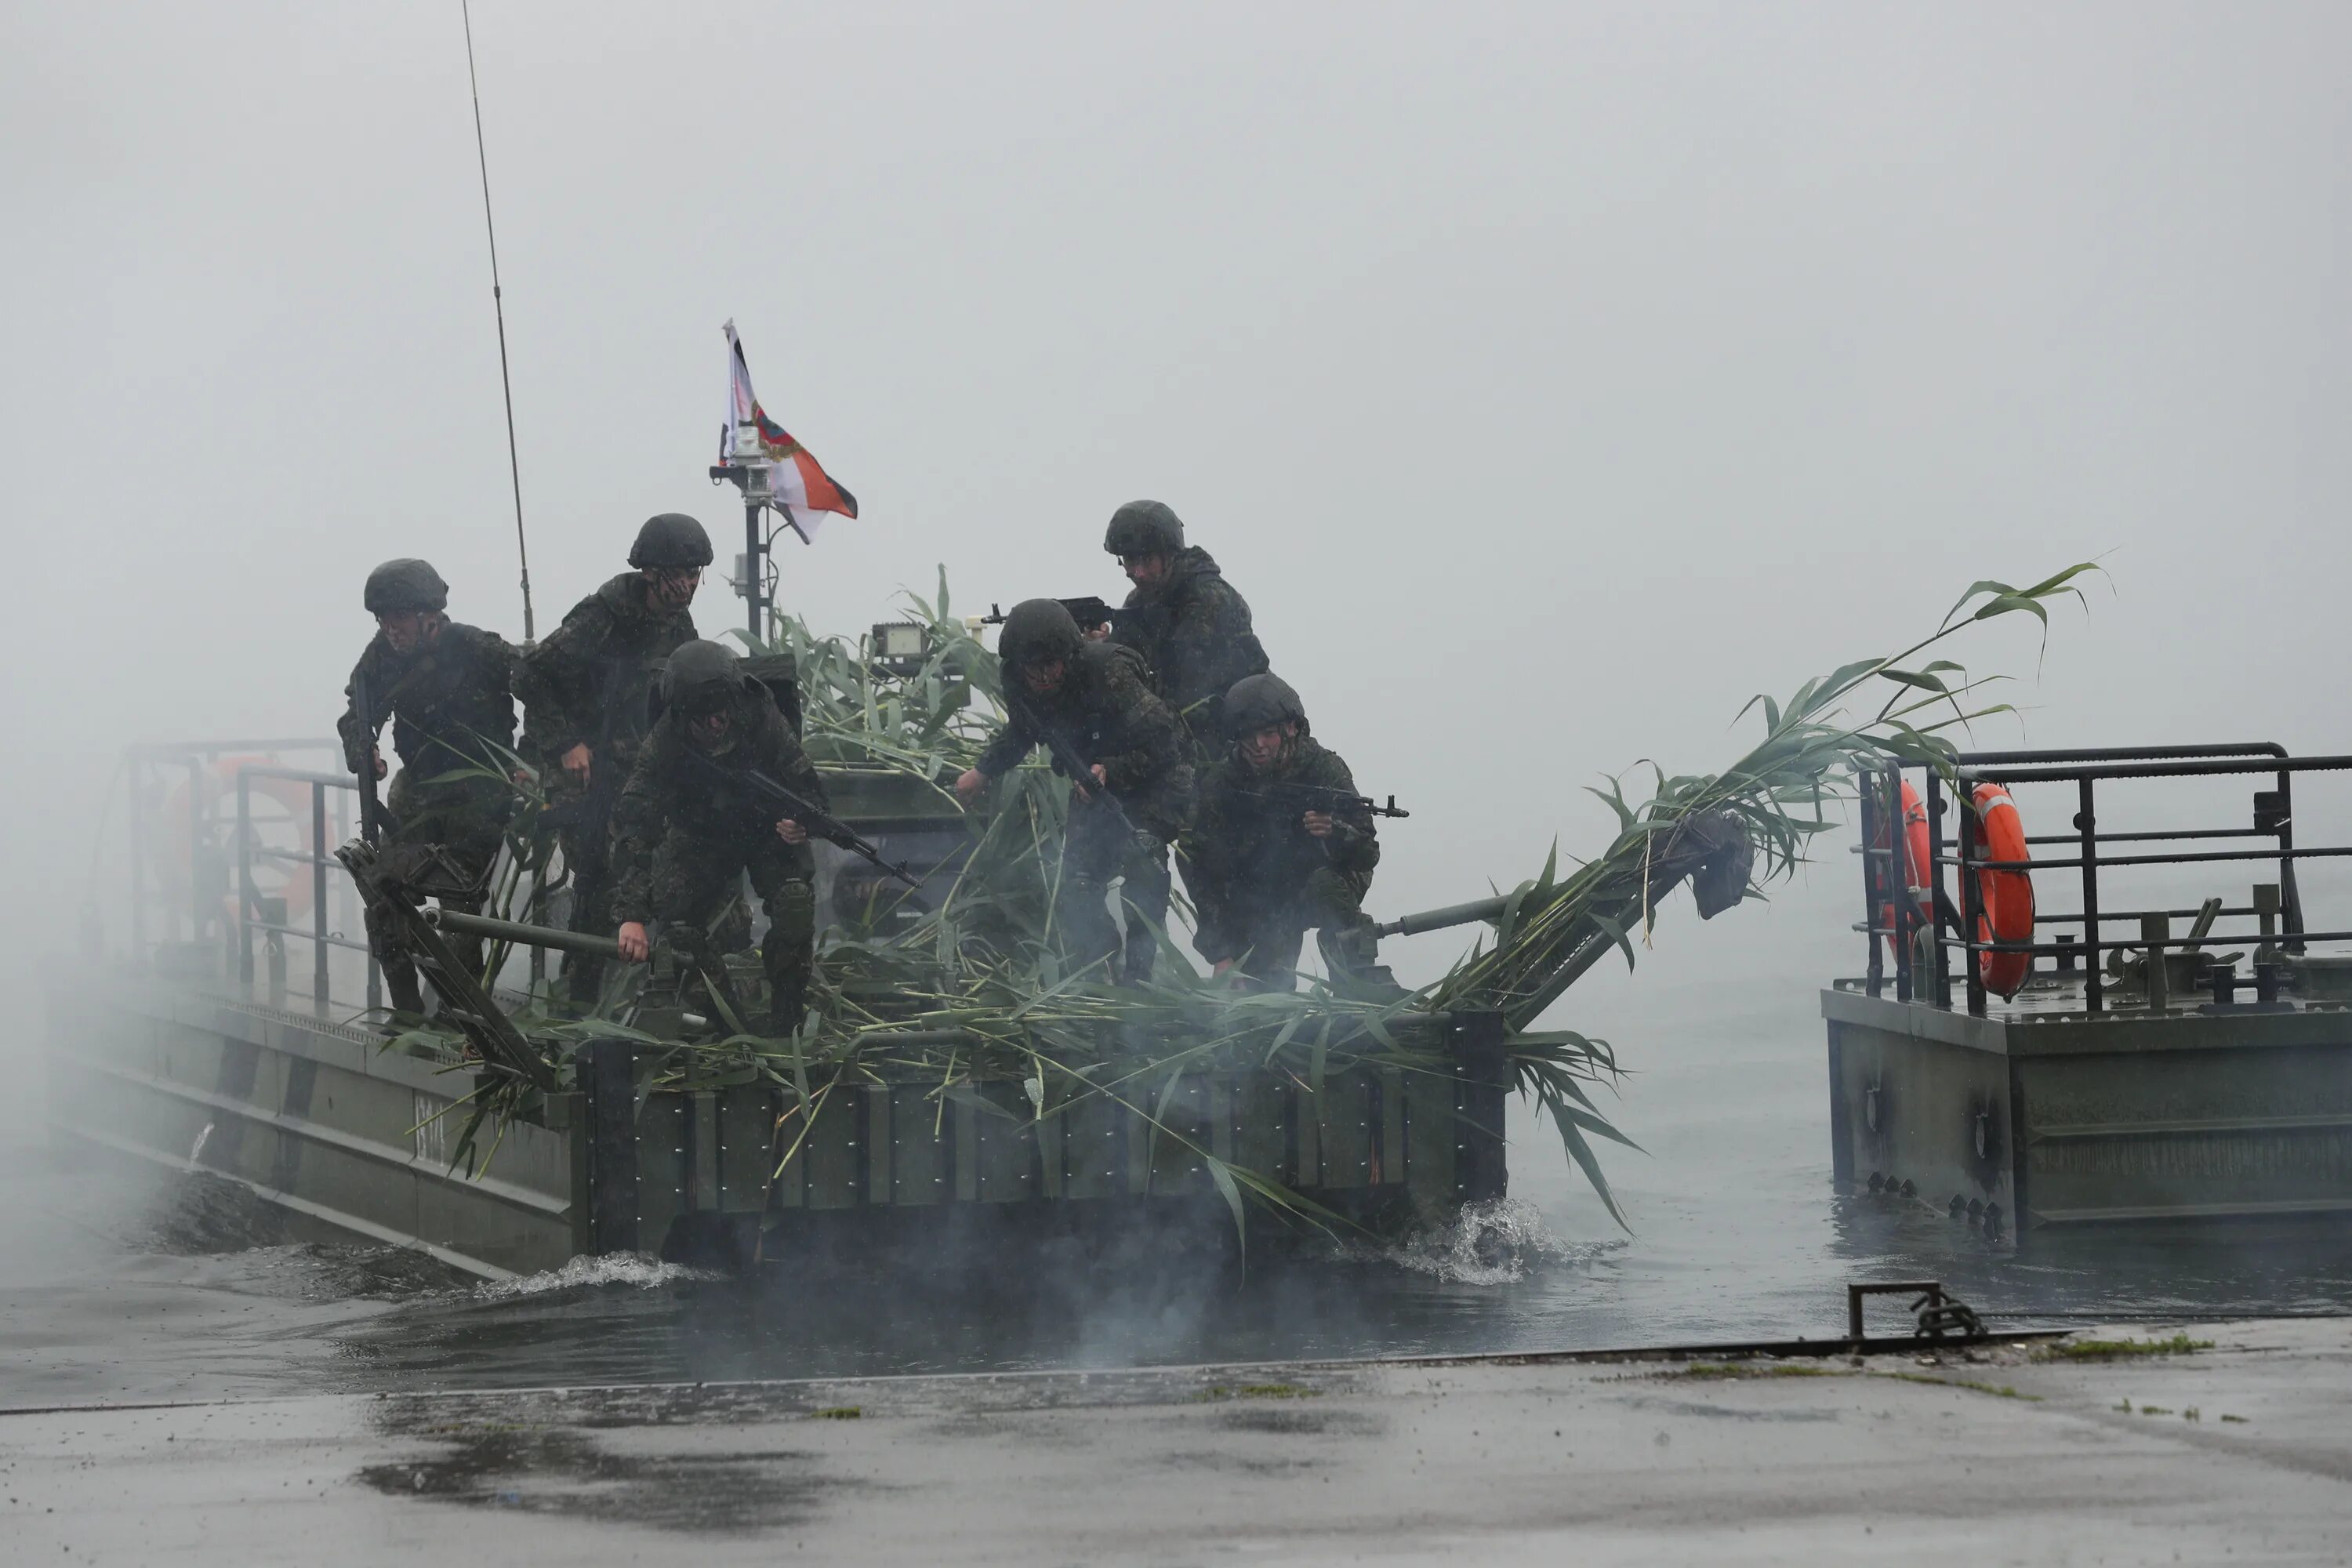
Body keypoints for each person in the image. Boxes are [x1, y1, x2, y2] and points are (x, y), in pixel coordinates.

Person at [517, 513, 710, 1004]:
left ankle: (643, 998)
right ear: (651, 572)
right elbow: (529, 675)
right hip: (580, 767)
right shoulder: (602, 616)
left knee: (656, 869)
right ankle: (579, 1000)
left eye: (695, 573)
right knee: (598, 882)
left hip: (635, 768)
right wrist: (565, 743)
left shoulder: (679, 624)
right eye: (679, 574)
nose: (688, 584)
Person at [956, 597, 1192, 984]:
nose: (1046, 676)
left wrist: (1111, 769)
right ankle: (1098, 970)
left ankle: (1141, 981)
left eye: (1054, 665)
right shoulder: (1018, 681)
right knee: (1077, 883)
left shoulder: (1108, 672)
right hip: (1093, 782)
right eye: (1036, 668)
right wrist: (983, 772)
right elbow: (1022, 730)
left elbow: (1169, 744)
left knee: (1144, 867)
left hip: (1156, 777)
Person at [608, 640, 828, 1035]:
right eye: (703, 716)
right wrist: (632, 916)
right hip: (698, 836)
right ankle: (729, 1026)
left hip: (764, 828)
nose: (715, 724)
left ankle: (786, 1022)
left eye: (722, 713)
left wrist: (803, 821)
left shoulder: (760, 713)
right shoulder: (663, 744)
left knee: (794, 902)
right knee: (678, 935)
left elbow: (805, 782)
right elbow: (635, 828)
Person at [336, 558, 518, 1015]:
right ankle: (407, 1011)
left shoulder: (477, 648)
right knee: (382, 898)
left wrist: (532, 759)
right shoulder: (382, 655)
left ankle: (462, 1016)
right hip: (419, 789)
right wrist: (365, 746)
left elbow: (543, 685)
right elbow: (357, 710)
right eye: (382, 618)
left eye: (397, 616)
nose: (389, 628)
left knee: (459, 903)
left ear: (428, 613)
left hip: (482, 791)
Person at [1186, 673, 1397, 993]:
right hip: (1265, 894)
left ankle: (1359, 989)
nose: (1258, 746)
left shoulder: (1324, 769)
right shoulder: (1223, 785)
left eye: (1269, 734)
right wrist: (1222, 953)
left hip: (1321, 881)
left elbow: (1368, 853)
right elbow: (1200, 866)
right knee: (1262, 993)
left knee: (1329, 894)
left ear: (1291, 729)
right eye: (1249, 736)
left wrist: (1335, 832)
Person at [1101, 500, 1270, 756]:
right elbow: (1128, 663)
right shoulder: (1141, 601)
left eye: (1146, 559)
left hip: (1238, 737)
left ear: (1169, 554)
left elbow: (1185, 685)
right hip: (1190, 729)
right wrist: (1102, 649)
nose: (1138, 572)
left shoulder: (1207, 597)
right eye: (1129, 560)